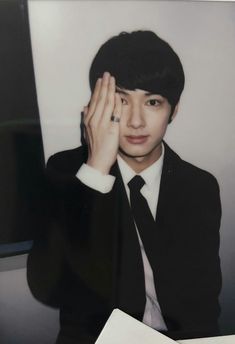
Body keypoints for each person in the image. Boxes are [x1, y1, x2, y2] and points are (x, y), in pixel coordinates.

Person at [27, 30, 222, 343]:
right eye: (120, 100)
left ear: (174, 110)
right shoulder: (66, 171)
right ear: (96, 107)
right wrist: (96, 171)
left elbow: (202, 301)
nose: (135, 121)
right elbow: (48, 288)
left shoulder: (199, 186)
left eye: (153, 102)